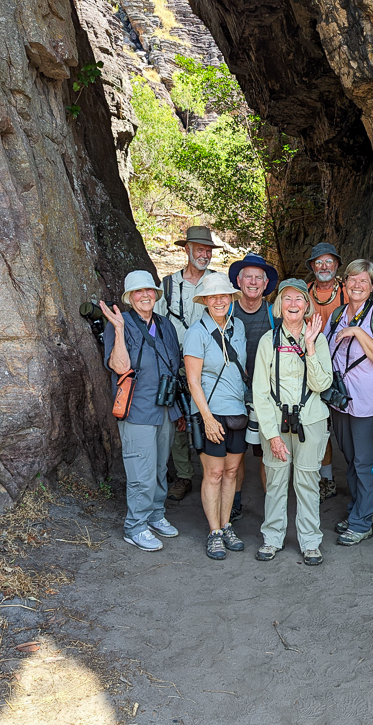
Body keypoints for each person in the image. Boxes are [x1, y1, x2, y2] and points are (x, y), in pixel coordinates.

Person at [252, 279, 333, 566]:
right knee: (275, 481)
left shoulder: (318, 339)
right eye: (287, 299)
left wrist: (309, 346)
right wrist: (271, 435)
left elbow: (322, 384)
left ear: (306, 305)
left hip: (310, 420)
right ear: (279, 305)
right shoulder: (268, 341)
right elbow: (260, 392)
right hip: (276, 422)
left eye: (299, 299)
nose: (293, 304)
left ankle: (310, 542)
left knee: (307, 482)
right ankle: (272, 538)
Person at [100, 271, 182, 552]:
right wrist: (119, 331)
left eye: (149, 290)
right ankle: (135, 526)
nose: (145, 295)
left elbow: (174, 364)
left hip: (165, 409)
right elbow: (120, 367)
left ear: (156, 295)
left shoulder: (166, 325)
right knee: (141, 472)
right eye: (138, 291)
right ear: (129, 297)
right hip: (137, 410)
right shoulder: (119, 323)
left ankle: (156, 515)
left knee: (159, 468)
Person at [323, 259, 373, 546]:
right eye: (352, 279)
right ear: (344, 283)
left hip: (367, 403)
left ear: (372, 286)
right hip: (340, 401)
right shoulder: (337, 314)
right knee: (351, 459)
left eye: (363, 281)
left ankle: (361, 523)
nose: (357, 285)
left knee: (365, 463)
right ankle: (357, 509)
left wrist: (358, 332)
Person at [183, 273, 250, 560]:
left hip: (237, 411)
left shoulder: (238, 327)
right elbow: (193, 380)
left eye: (224, 296)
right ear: (205, 301)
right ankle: (214, 532)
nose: (219, 301)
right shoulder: (196, 332)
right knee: (214, 473)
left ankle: (226, 525)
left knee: (231, 472)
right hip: (210, 412)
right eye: (213, 297)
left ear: (231, 298)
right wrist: (207, 419)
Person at [154, 226, 218, 502]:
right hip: (176, 364)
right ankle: (184, 475)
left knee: (212, 416)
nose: (204, 255)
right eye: (199, 249)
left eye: (208, 250)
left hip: (210, 365)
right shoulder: (168, 285)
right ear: (187, 250)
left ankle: (214, 476)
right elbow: (156, 325)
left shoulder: (217, 282)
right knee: (178, 419)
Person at [227, 252, 279, 521]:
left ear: (266, 283)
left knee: (265, 453)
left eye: (259, 277)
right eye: (248, 276)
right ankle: (233, 502)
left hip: (265, 394)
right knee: (235, 454)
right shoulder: (226, 312)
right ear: (238, 280)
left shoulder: (273, 314)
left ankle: (271, 506)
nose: (253, 282)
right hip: (233, 393)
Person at [307, 242, 346, 501]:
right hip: (313, 368)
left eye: (329, 261)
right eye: (319, 262)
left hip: (345, 370)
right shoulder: (304, 293)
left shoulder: (348, 291)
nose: (324, 266)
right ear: (312, 266)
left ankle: (370, 480)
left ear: (337, 265)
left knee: (352, 426)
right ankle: (327, 479)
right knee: (321, 428)